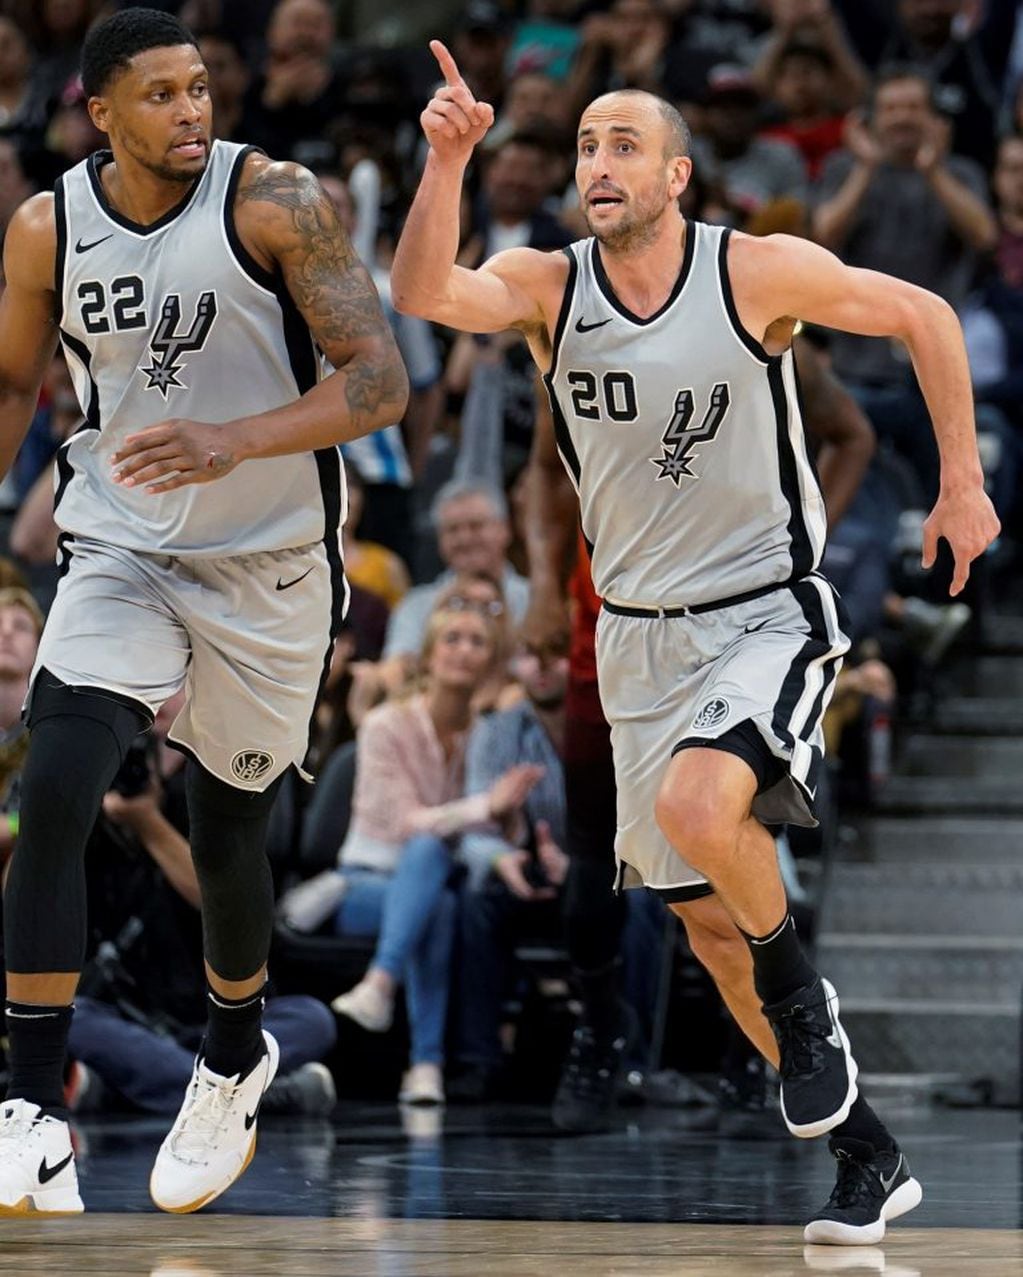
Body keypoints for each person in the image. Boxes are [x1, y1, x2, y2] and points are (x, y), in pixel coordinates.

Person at [391, 41, 998, 1245]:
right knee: (707, 926)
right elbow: (424, 293)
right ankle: (870, 1153)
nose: (597, 162)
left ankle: (803, 1008)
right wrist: (449, 160)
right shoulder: (549, 286)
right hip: (637, 639)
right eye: (584, 143)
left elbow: (925, 312)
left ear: (678, 177)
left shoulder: (754, 271)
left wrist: (963, 480)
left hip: (763, 608)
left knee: (703, 806)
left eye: (626, 143)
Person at [0, 8, 406, 1218]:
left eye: (201, 89)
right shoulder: (44, 230)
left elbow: (378, 380)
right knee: (60, 776)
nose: (193, 111)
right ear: (100, 110)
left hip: (272, 557)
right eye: (164, 94)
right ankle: (29, 1105)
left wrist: (237, 437)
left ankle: (233, 1052)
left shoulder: (276, 200)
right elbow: (14, 381)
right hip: (122, 539)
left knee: (225, 822)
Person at [66, 692, 338, 1120]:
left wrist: (148, 824)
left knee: (314, 1018)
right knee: (69, 1017)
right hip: (134, 1010)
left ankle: (145, 1088)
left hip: (223, 1015)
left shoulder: (226, 780)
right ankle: (252, 1097)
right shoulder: (99, 785)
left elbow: (221, 899)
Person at [330, 594, 541, 1106]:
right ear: (427, 654)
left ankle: (382, 991)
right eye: (452, 638)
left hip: (439, 887)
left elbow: (492, 836)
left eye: (477, 643)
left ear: (491, 662)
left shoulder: (488, 735)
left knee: (442, 898)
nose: (463, 652)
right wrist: (483, 807)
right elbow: (405, 824)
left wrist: (505, 819)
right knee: (426, 854)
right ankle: (424, 1063)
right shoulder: (386, 725)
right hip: (366, 881)